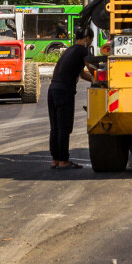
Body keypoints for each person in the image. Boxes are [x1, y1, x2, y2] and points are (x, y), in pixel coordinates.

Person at [48, 28, 94, 169]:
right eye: (90, 40)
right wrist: (101, 77)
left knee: (55, 127)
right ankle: (64, 161)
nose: (90, 43)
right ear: (87, 39)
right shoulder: (82, 51)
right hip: (64, 91)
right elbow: (91, 68)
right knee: (64, 127)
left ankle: (55, 160)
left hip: (52, 90)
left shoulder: (70, 50)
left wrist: (93, 79)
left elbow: (82, 74)